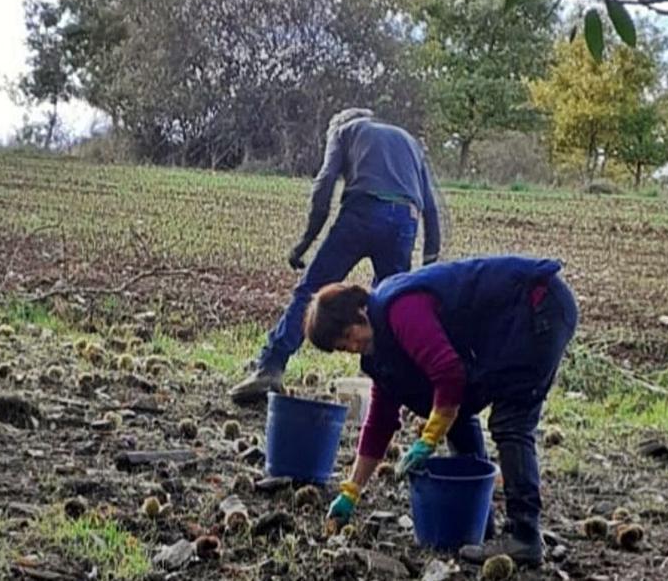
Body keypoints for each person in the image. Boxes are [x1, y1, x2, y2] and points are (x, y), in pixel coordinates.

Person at [303, 256, 577, 567]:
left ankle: (525, 536)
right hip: (515, 322)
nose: (350, 346)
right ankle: (480, 522)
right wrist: (351, 491)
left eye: (348, 335)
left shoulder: (399, 309)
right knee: (452, 412)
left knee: (511, 421)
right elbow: (380, 422)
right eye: (342, 346)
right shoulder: (380, 350)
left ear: (359, 312)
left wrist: (429, 438)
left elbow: (448, 373)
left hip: (536, 305)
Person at [229, 108, 442, 405]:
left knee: (312, 292)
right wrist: (430, 263)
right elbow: (431, 207)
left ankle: (270, 366)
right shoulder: (408, 140)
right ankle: (392, 386)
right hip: (405, 220)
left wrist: (304, 243)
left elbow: (325, 183)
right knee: (387, 305)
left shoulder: (343, 131)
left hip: (362, 212)